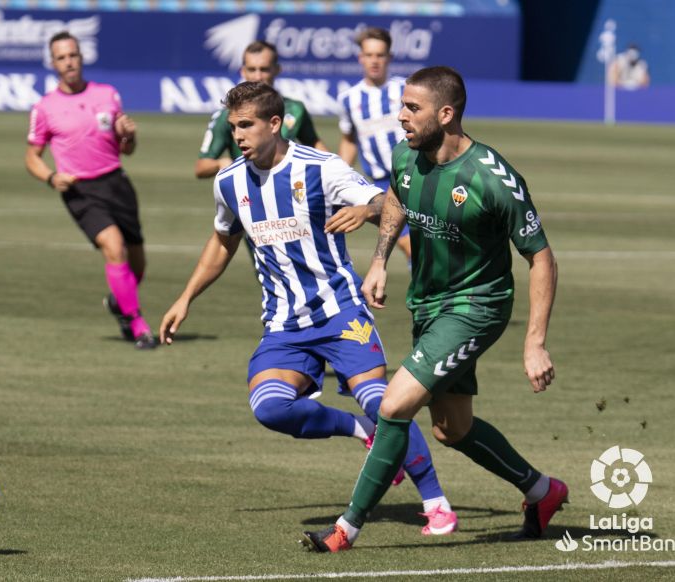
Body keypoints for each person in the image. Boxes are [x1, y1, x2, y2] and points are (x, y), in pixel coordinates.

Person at [163, 81, 457, 535]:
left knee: (387, 406)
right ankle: (361, 432)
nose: (237, 135)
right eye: (233, 126)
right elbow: (223, 241)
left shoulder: (320, 168)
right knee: (269, 408)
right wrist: (186, 298)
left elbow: (389, 206)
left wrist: (366, 211)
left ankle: (436, 502)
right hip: (284, 325)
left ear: (275, 124)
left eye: (247, 125)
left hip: (341, 314)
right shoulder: (229, 181)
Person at [301, 66, 567, 553]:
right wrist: (379, 260)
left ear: (446, 114)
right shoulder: (407, 155)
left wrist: (535, 343)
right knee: (452, 428)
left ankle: (346, 529)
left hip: (475, 307)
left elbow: (542, 257)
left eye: (411, 108)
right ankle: (541, 490)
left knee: (394, 404)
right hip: (427, 304)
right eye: (401, 105)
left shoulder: (493, 178)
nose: (399, 116)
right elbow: (398, 199)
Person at [25, 31, 156, 350]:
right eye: (61, 57)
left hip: (116, 183)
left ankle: (119, 302)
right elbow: (31, 156)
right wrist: (51, 177)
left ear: (81, 57)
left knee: (137, 263)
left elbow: (127, 149)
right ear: (52, 63)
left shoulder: (107, 95)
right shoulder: (45, 107)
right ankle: (138, 325)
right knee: (114, 248)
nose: (69, 62)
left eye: (73, 55)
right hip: (80, 190)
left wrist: (128, 136)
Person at [194, 40, 326, 179]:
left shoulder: (295, 109)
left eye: (264, 69)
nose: (258, 77)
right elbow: (201, 167)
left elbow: (316, 145)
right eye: (252, 69)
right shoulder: (229, 115)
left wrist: (337, 168)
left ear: (277, 69)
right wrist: (221, 163)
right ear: (243, 71)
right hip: (250, 191)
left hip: (288, 185)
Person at [337, 28, 411, 263]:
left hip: (415, 177)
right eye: (369, 55)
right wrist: (339, 175)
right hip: (383, 185)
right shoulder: (350, 98)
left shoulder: (406, 89)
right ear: (360, 57)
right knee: (409, 245)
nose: (374, 60)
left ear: (389, 57)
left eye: (380, 55)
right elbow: (349, 139)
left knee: (427, 244)